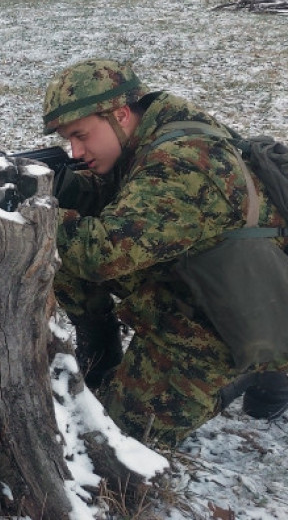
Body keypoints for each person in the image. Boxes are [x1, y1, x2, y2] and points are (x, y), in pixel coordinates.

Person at [42, 58, 288, 447]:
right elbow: (134, 200)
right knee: (68, 252)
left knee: (117, 447)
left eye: (80, 135)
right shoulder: (156, 124)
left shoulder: (183, 160)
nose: (74, 151)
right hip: (211, 273)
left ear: (120, 114)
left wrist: (36, 212)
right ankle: (102, 349)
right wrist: (69, 188)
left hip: (228, 314)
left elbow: (101, 253)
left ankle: (250, 368)